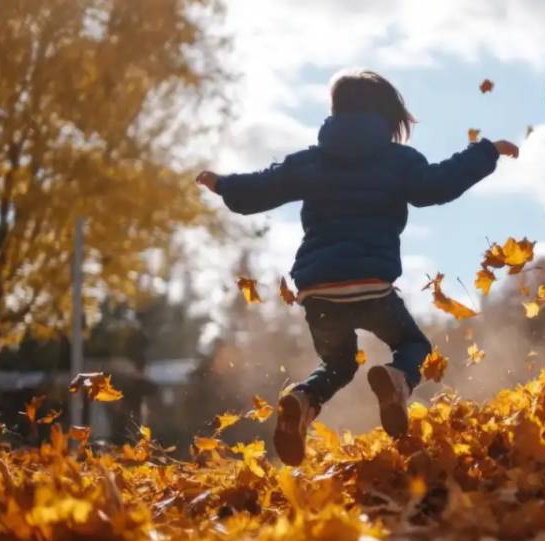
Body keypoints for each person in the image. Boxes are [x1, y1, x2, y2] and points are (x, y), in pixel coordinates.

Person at [196, 69, 519, 465]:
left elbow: (264, 187)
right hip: (371, 287)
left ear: (335, 112)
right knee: (413, 346)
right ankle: (399, 378)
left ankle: (303, 400)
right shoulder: (398, 161)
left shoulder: (310, 162)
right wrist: (487, 152)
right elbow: (437, 185)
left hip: (318, 291)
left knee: (338, 363)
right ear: (388, 116)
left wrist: (223, 184)